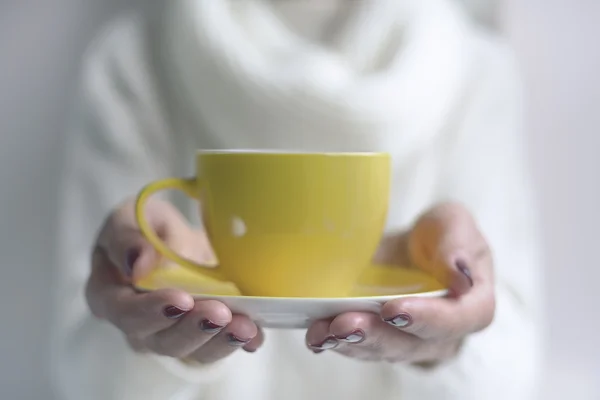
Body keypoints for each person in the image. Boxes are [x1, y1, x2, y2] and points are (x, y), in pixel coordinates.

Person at [51, 1, 542, 399]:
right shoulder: (132, 61)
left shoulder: (476, 70)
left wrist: (448, 341)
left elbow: (514, 375)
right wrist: (143, 318)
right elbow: (80, 380)